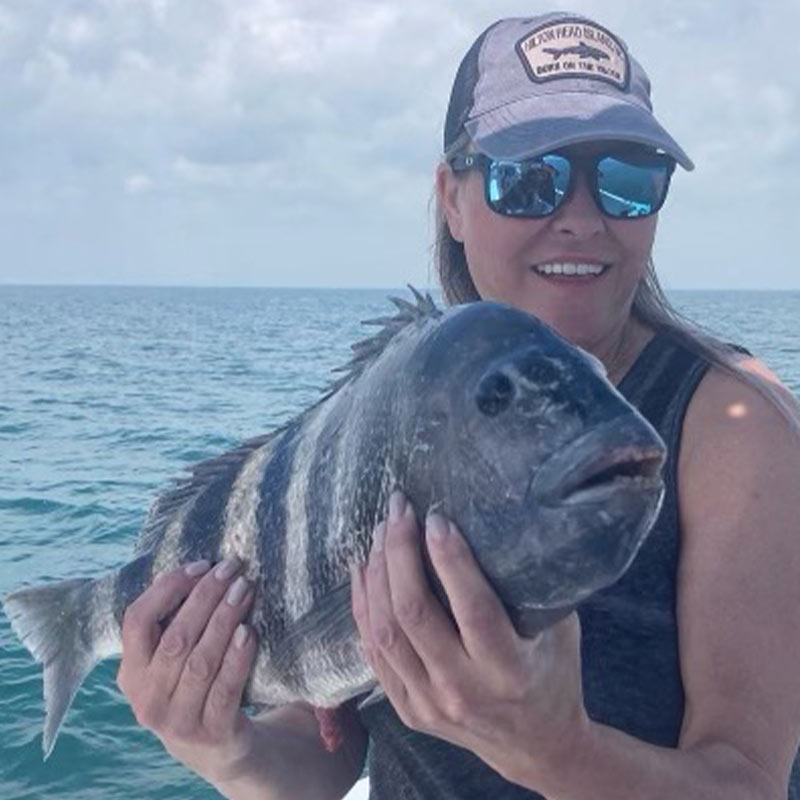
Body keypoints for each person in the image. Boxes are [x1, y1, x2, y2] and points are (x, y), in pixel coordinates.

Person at [116, 12, 800, 799]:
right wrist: (219, 744)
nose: (581, 215)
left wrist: (557, 751)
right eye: (528, 177)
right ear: (452, 196)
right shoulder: (388, 410)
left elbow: (747, 782)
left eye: (627, 177)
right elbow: (324, 759)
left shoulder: (733, 427)